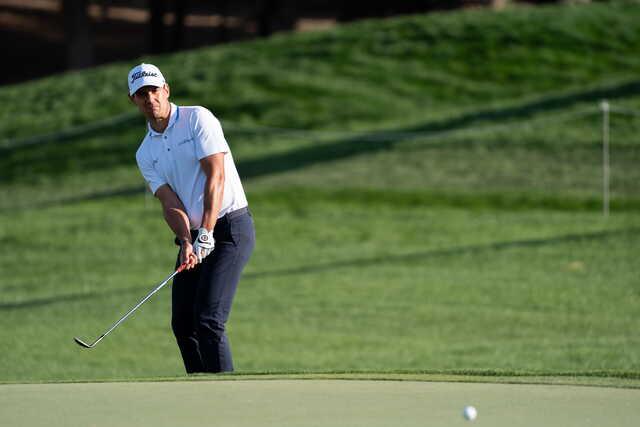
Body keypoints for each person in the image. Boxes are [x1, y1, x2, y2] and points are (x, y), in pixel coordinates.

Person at [128, 63, 255, 373]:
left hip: (229, 228)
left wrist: (207, 232)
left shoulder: (198, 118)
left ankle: (227, 395)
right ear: (134, 100)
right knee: (184, 324)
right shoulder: (145, 153)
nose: (150, 98)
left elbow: (216, 176)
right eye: (142, 94)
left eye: (154, 90)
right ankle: (200, 393)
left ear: (166, 90)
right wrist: (186, 240)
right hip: (195, 236)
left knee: (208, 320)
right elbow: (169, 202)